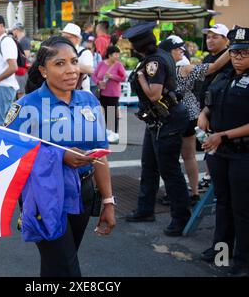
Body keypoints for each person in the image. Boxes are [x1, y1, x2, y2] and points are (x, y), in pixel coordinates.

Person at [6, 36, 116, 277]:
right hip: (44, 195)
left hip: (84, 193)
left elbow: (100, 154)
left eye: (74, 62)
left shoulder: (89, 100)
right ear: (44, 70)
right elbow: (10, 157)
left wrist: (108, 201)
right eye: (60, 63)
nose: (71, 70)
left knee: (58, 265)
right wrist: (59, 156)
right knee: (67, 269)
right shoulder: (26, 106)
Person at [123, 22, 191, 236]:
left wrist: (141, 77)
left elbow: (154, 94)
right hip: (157, 121)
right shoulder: (160, 55)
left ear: (137, 46)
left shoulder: (153, 62)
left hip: (166, 120)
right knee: (149, 166)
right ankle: (145, 210)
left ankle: (181, 219)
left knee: (170, 171)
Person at [197, 27, 249, 277]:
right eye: (235, 52)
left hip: (242, 153)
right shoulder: (225, 76)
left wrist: (223, 135)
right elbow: (211, 101)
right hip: (219, 152)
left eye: (244, 52)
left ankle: (243, 260)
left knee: (242, 207)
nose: (238, 57)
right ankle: (221, 250)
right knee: (223, 203)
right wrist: (204, 113)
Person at [158, 35, 230, 205]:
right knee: (189, 156)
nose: (182, 51)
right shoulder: (185, 68)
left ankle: (174, 193)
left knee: (170, 158)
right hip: (190, 115)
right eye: (178, 49)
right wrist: (231, 48)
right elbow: (214, 67)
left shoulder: (162, 69)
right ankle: (194, 193)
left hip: (171, 117)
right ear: (170, 52)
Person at [196, 24, 232, 189]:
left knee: (216, 143)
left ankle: (213, 178)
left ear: (226, 40)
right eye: (208, 36)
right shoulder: (207, 58)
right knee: (208, 143)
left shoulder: (231, 59)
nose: (210, 40)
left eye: (215, 37)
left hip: (220, 110)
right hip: (206, 109)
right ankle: (211, 176)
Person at [92, 45, 127, 144]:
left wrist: (112, 76)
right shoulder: (101, 64)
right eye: (115, 54)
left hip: (113, 93)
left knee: (112, 113)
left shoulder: (118, 65)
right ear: (110, 55)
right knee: (104, 113)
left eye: (118, 54)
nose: (117, 56)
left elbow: (124, 78)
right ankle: (106, 133)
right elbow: (94, 75)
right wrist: (99, 82)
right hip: (102, 92)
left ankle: (114, 135)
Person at [62, 23, 94, 92]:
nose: (64, 40)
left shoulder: (84, 52)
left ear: (77, 39)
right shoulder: (59, 51)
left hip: (82, 94)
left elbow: (89, 70)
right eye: (62, 37)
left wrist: (67, 64)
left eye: (68, 37)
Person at [12, 22, 31, 99]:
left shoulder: (24, 41)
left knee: (21, 93)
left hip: (22, 71)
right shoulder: (20, 40)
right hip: (19, 70)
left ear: (16, 30)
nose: (13, 32)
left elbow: (26, 55)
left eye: (13, 30)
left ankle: (22, 110)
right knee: (19, 92)